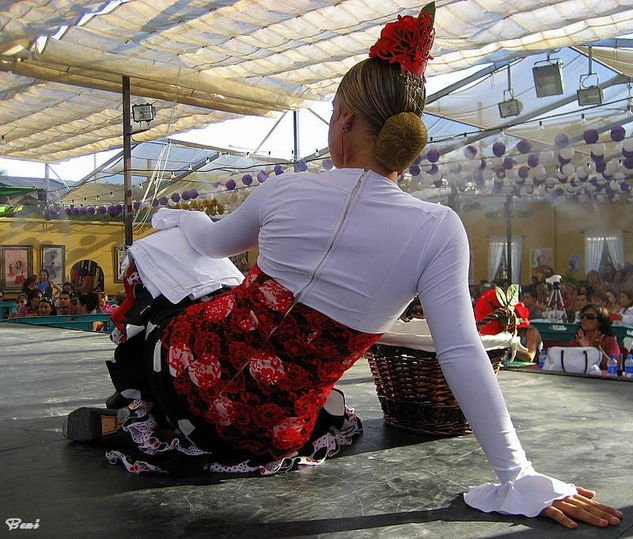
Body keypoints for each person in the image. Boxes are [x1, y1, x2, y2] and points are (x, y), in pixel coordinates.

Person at [62, 4, 621, 529]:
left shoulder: (284, 192)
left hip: (191, 370)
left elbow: (209, 246)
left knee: (166, 276)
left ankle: (134, 407)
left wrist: (177, 218)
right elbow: (461, 353)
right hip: (273, 432)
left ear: (346, 120)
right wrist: (517, 474)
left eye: (332, 114)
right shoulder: (437, 228)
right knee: (311, 390)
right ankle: (146, 415)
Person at [569, 304, 620, 370]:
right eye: (582, 316)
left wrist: (598, 350)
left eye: (590, 317)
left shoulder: (609, 341)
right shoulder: (577, 340)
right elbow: (568, 365)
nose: (584, 319)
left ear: (600, 321)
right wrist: (585, 350)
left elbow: (614, 368)